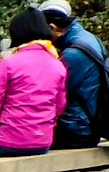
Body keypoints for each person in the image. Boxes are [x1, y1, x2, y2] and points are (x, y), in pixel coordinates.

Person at [38, 0, 103, 150]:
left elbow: (53, 94)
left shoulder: (74, 54)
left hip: (76, 130)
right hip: (89, 125)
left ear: (52, 28)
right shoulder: (90, 39)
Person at [0, 9, 66, 156]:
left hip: (7, 142)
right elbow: (59, 107)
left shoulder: (9, 63)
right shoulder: (58, 65)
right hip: (42, 144)